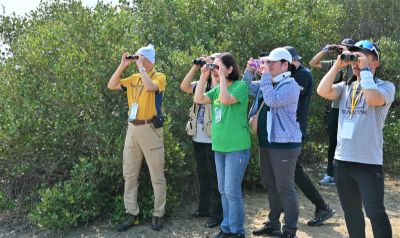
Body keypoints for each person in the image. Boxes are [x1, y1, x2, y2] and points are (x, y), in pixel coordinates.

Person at [317, 40, 394, 238]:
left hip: (368, 163)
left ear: (375, 62)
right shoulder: (345, 87)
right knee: (351, 213)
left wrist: (365, 71)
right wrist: (337, 64)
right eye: (353, 56)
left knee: (375, 213)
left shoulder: (385, 87)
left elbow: (372, 99)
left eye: (361, 56)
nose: (355, 60)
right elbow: (322, 91)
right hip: (342, 161)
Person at [107, 44, 167, 231]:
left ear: (149, 60)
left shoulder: (159, 77)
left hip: (150, 128)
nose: (137, 61)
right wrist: (123, 65)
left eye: (141, 58)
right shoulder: (132, 78)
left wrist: (141, 67)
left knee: (156, 174)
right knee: (130, 173)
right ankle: (131, 213)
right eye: (137, 57)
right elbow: (112, 85)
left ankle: (158, 214)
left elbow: (150, 87)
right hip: (132, 129)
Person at [244, 47, 302, 238]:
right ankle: (273, 224)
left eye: (272, 63)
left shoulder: (291, 85)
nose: (267, 65)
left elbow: (271, 100)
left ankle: (290, 229)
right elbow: (246, 88)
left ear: (285, 64)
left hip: (284, 145)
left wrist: (265, 77)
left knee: (285, 187)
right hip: (267, 142)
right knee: (270, 184)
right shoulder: (269, 82)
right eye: (266, 62)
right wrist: (249, 71)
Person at [194, 53, 251, 238]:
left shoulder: (241, 86)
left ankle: (237, 231)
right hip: (220, 148)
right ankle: (226, 227)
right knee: (223, 190)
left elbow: (226, 100)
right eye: (214, 67)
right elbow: (198, 99)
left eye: (219, 66)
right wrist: (203, 75)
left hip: (237, 148)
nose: (215, 70)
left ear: (230, 69)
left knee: (232, 191)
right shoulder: (217, 89)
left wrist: (222, 78)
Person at [285, 46, 335, 227]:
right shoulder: (290, 73)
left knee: (295, 170)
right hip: (287, 130)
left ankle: (322, 206)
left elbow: (291, 96)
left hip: (296, 129)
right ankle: (289, 206)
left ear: (292, 60)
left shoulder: (304, 74)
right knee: (289, 171)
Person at [180, 53, 223, 228]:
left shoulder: (220, 83)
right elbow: (184, 86)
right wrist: (196, 67)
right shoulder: (201, 83)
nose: (210, 66)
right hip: (198, 136)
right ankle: (203, 209)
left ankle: (216, 214)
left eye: (213, 63)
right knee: (204, 175)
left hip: (213, 137)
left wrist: (213, 70)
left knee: (215, 177)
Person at [309, 38, 356, 186]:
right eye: (342, 48)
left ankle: (349, 175)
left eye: (348, 48)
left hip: (352, 110)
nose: (344, 51)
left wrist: (350, 55)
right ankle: (331, 174)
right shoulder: (336, 64)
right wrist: (326, 50)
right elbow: (313, 63)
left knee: (350, 142)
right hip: (336, 108)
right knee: (333, 142)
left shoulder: (357, 64)